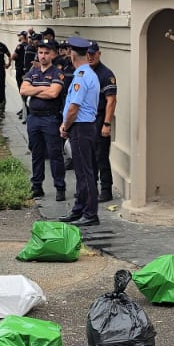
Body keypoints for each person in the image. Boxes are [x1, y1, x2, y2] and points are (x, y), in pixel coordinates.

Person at [57, 38, 102, 227]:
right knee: (82, 171)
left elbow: (74, 107)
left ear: (73, 54)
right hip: (85, 127)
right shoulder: (88, 74)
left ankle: (90, 213)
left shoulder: (82, 76)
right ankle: (79, 209)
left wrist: (65, 126)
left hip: (80, 127)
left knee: (85, 172)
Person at [20, 41, 67, 201]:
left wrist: (35, 90)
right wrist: (43, 89)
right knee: (36, 153)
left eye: (46, 53)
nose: (43, 56)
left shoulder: (57, 73)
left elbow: (54, 93)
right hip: (34, 118)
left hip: (50, 118)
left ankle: (60, 187)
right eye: (40, 52)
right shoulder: (33, 71)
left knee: (55, 154)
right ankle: (37, 186)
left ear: (52, 54)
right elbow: (23, 89)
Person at [88, 41, 118, 203]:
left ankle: (106, 190)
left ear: (99, 53)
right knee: (90, 156)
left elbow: (111, 101)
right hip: (88, 120)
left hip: (100, 119)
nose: (90, 56)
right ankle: (91, 187)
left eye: (93, 53)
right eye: (88, 54)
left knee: (101, 156)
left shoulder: (106, 74)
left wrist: (106, 124)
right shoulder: (84, 72)